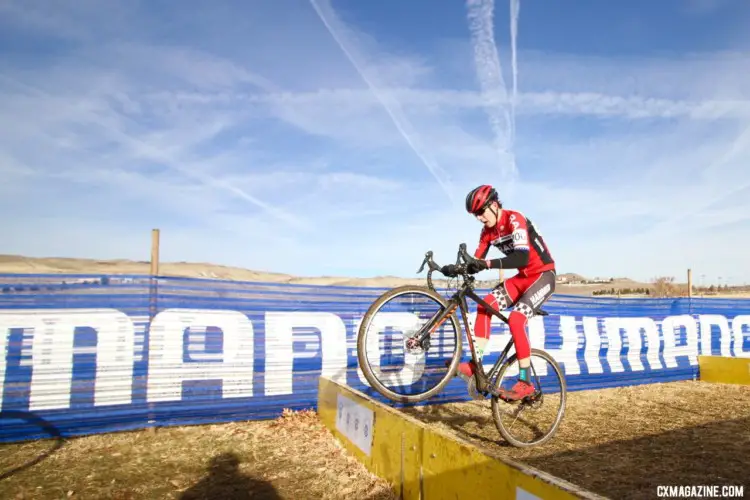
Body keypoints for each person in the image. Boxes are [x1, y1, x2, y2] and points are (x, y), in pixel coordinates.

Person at [440, 184, 556, 401]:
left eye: (481, 212)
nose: (479, 218)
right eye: (475, 215)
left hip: (542, 276)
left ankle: (525, 382)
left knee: (516, 318)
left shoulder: (514, 219)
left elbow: (521, 257)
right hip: (522, 278)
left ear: (493, 205)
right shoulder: (487, 232)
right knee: (484, 306)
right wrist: (454, 268)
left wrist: (487, 264)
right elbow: (475, 262)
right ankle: (476, 365)